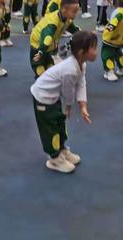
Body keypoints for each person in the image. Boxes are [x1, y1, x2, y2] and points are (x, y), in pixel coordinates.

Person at [30, 31, 96, 174]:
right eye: (93, 48)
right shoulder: (70, 69)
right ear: (81, 52)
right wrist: (68, 106)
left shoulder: (81, 64)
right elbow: (68, 92)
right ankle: (54, 158)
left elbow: (81, 83)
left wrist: (83, 106)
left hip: (53, 97)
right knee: (50, 128)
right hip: (43, 97)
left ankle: (62, 149)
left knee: (60, 123)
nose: (96, 52)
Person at [29, 0, 80, 77]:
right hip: (38, 45)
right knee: (40, 70)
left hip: (48, 47)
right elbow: (47, 38)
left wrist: (83, 36)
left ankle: (48, 84)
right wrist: (41, 52)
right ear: (64, 10)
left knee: (50, 68)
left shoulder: (67, 18)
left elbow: (74, 29)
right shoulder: (53, 22)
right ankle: (41, 87)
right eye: (74, 11)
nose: (76, 14)